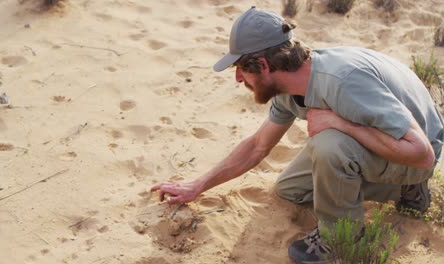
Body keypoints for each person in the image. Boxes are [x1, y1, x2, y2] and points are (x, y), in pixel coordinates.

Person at [151, 6, 444, 263]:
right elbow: (257, 146)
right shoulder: (290, 86)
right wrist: (197, 186)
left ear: (263, 65)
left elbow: (422, 154)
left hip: (416, 155)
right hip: (387, 139)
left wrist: (341, 124)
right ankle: (402, 191)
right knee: (291, 189)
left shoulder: (342, 81)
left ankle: (342, 237)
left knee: (329, 144)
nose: (239, 77)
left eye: (240, 68)